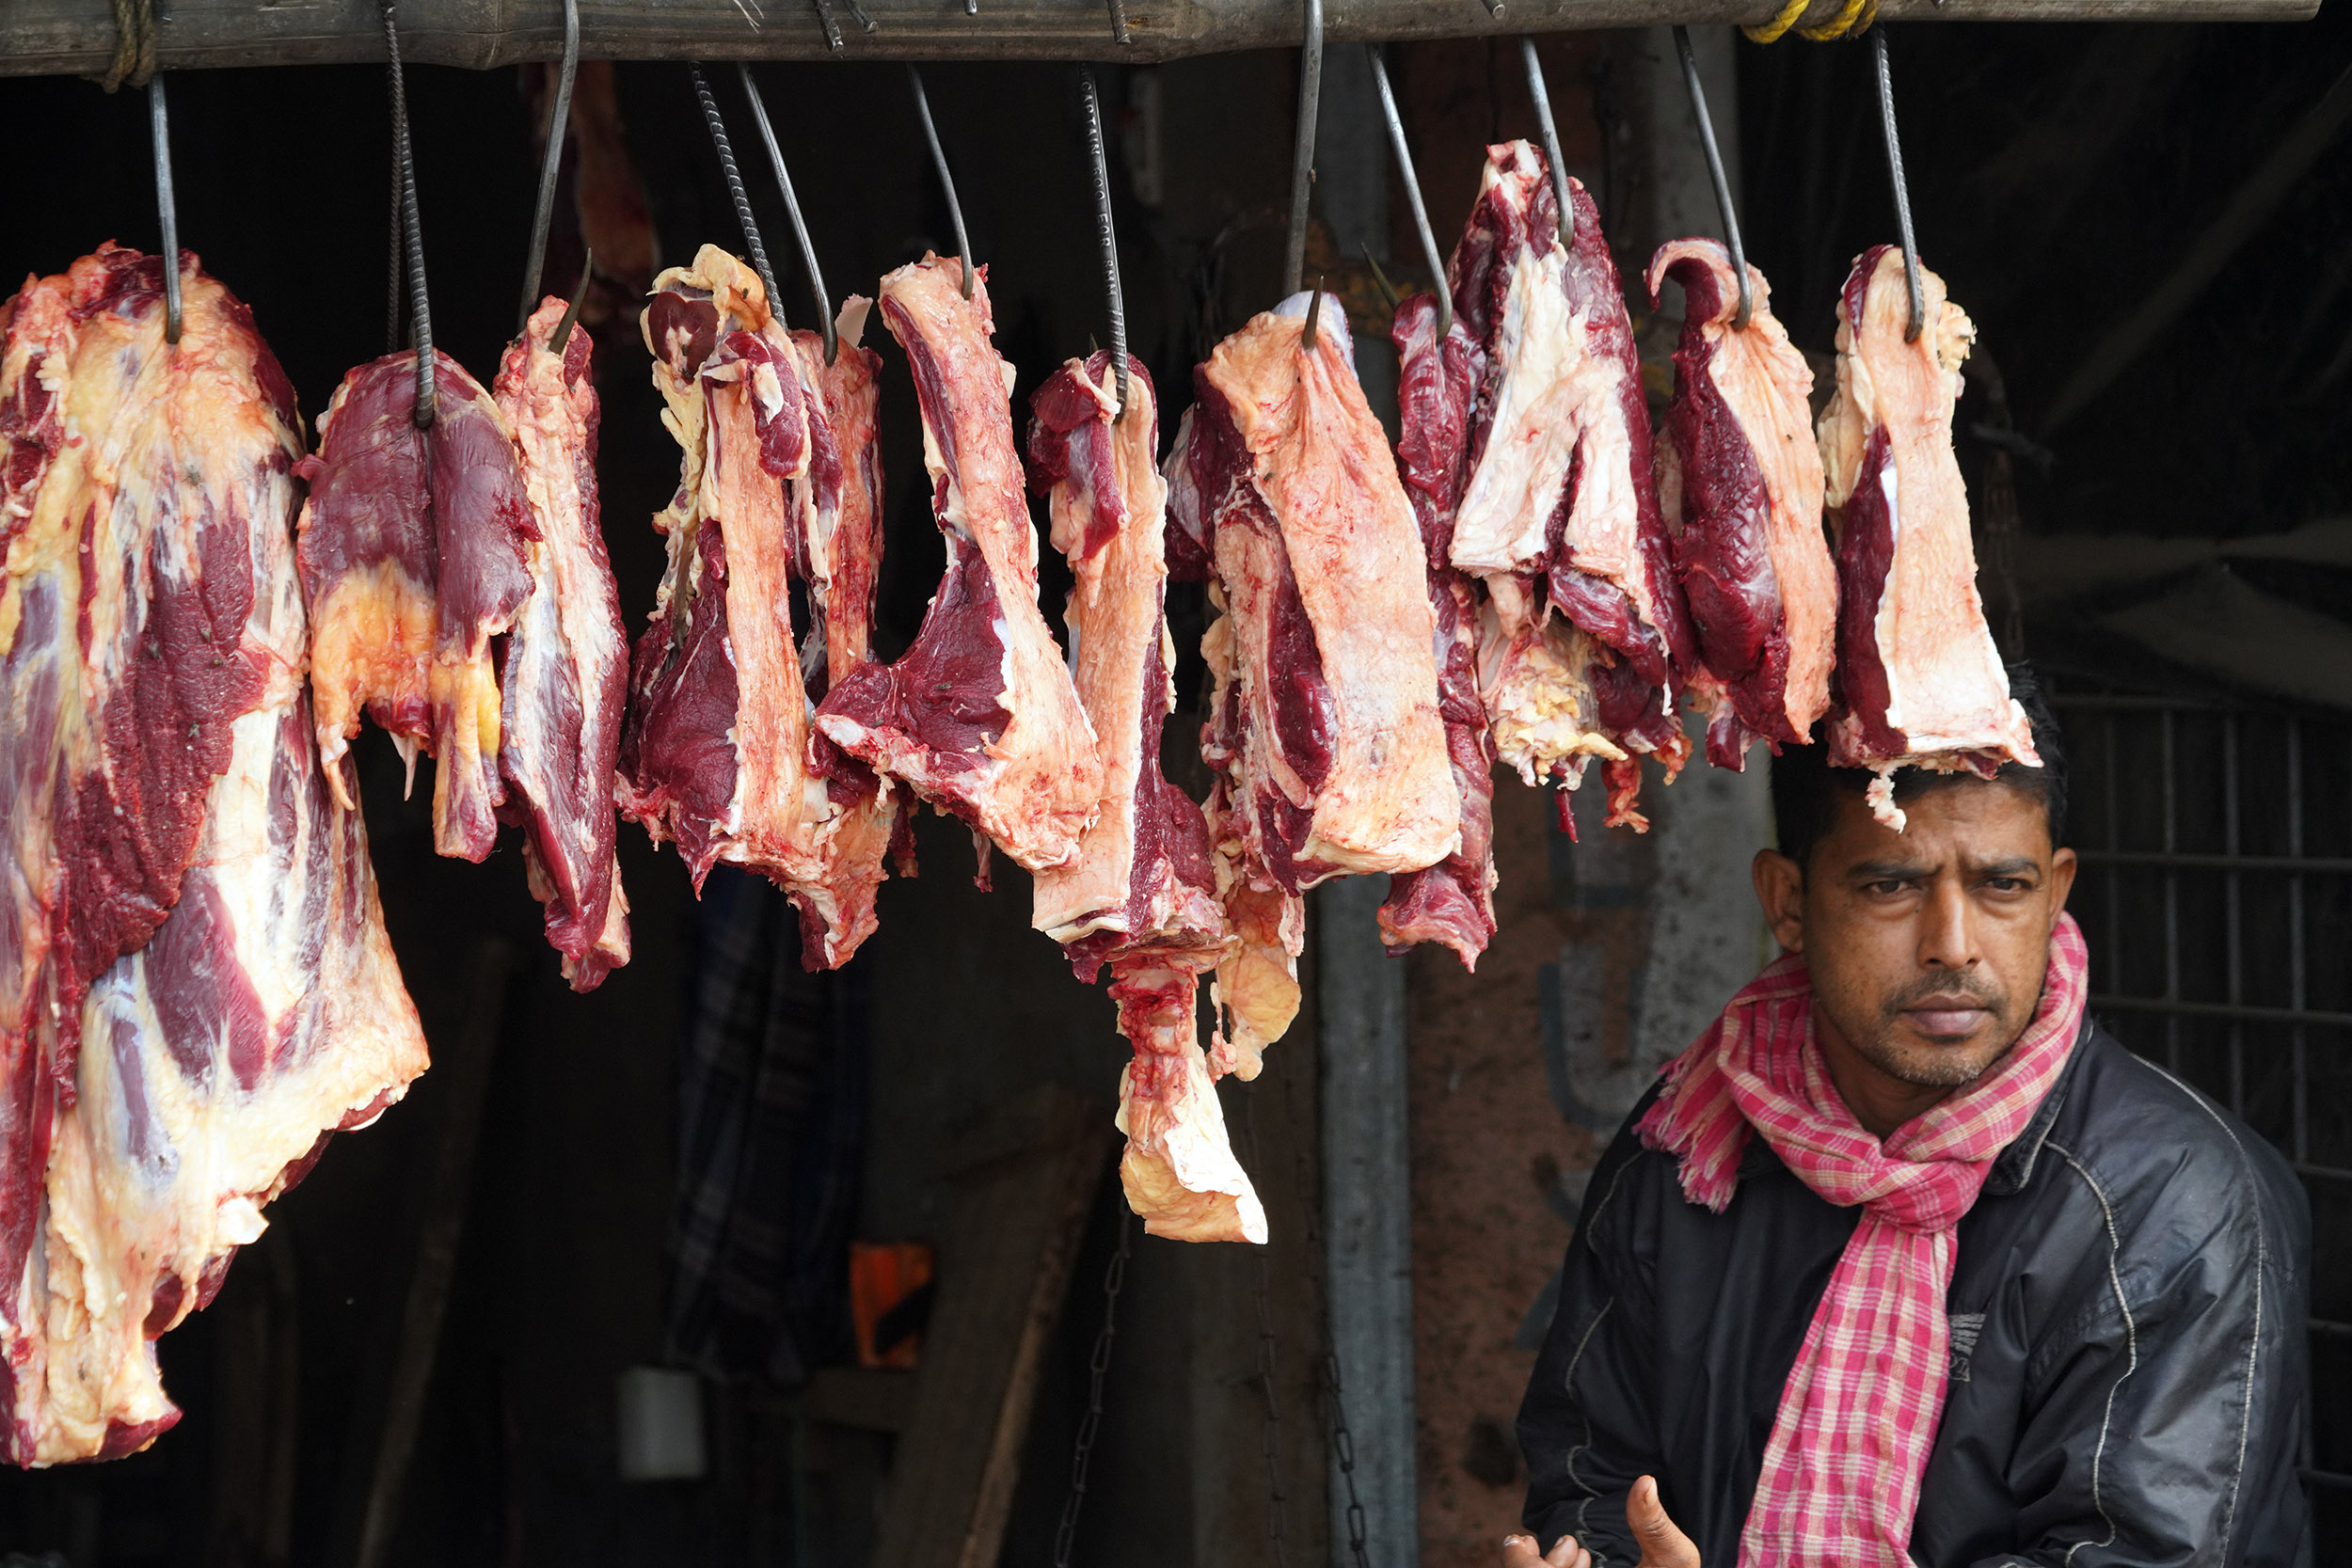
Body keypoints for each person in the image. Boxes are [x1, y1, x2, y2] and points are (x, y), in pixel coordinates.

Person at [1504, 670, 2310, 1567]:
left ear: (2056, 891)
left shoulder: (2171, 1205)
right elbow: (1590, 1474)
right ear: (1789, 902)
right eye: (1891, 885)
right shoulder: (1687, 1145)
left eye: (2003, 884)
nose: (1954, 943)